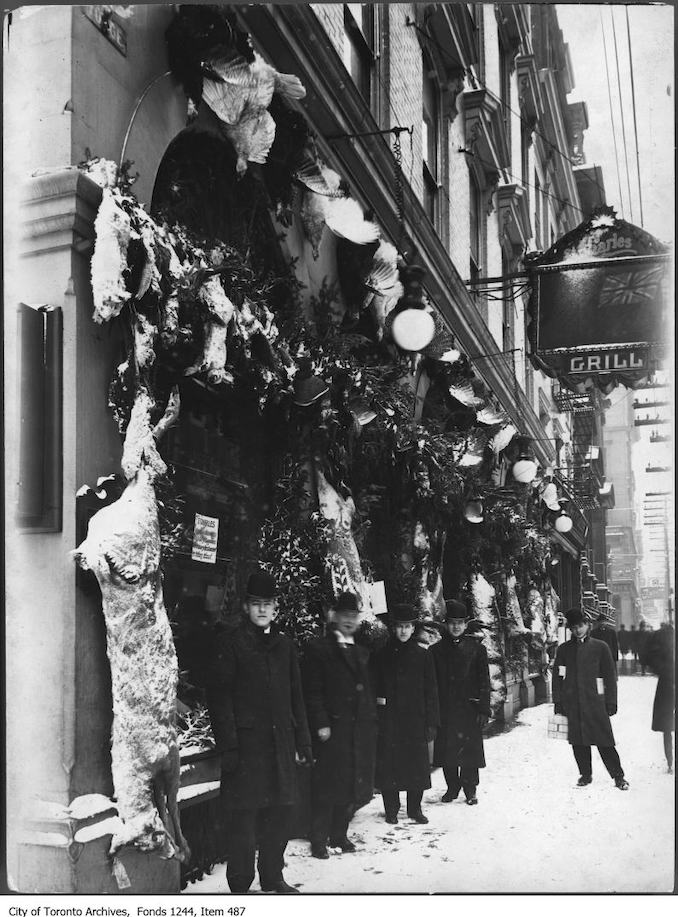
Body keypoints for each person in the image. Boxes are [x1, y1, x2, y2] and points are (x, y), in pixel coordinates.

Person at [205, 571, 312, 894]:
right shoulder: (232, 644)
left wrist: (303, 740)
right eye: (256, 604)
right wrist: (230, 747)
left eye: (268, 604)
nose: (262, 610)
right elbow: (219, 697)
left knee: (279, 815)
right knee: (244, 820)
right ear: (247, 608)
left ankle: (272, 876)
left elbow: (297, 696)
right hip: (247, 750)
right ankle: (240, 884)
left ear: (276, 607)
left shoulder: (285, 646)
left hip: (280, 745)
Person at [302, 591, 377, 859]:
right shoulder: (318, 649)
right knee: (326, 787)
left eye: (353, 616)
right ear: (333, 616)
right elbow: (312, 691)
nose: (348, 621)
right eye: (344, 615)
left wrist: (370, 722)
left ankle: (339, 834)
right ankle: (319, 839)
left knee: (348, 786)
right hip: (331, 730)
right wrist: (320, 722)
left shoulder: (362, 651)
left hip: (357, 731)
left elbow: (366, 690)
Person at [373, 604, 439, 825]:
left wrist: (432, 722)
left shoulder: (423, 655)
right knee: (389, 766)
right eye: (399, 627)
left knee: (416, 767)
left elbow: (431, 691)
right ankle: (391, 809)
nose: (403, 631)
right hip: (389, 720)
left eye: (407, 627)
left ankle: (414, 809)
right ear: (394, 628)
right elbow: (375, 688)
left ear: (413, 629)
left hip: (414, 720)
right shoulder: (381, 655)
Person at [552, 607, 629, 790]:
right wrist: (559, 701)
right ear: (570, 629)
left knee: (605, 741)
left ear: (587, 625)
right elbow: (558, 677)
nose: (578, 630)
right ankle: (585, 775)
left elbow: (610, 676)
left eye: (580, 626)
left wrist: (611, 701)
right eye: (574, 627)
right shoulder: (564, 650)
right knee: (578, 741)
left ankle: (618, 776)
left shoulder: (600, 647)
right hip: (574, 703)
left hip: (596, 702)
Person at [431, 597, 491, 806]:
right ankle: (452, 787)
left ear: (466, 625)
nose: (456, 627)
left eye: (460, 623)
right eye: (452, 623)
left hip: (469, 708)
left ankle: (470, 789)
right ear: (446, 625)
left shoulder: (477, 649)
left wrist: (484, 709)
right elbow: (433, 684)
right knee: (448, 751)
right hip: (446, 709)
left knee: (469, 752)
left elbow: (484, 680)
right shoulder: (436, 651)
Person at [639, 622, 675, 772]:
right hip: (668, 683)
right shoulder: (664, 634)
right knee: (667, 725)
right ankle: (670, 762)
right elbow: (649, 654)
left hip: (667, 682)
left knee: (667, 724)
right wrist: (664, 670)